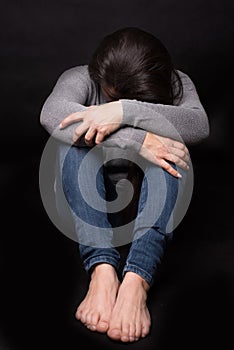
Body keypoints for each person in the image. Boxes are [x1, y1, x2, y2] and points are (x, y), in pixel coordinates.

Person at [40, 27, 209, 343]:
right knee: (68, 143)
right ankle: (102, 269)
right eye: (111, 97)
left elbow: (199, 126)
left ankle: (136, 280)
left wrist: (124, 111)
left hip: (149, 205)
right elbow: (52, 115)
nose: (112, 104)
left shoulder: (177, 82)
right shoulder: (80, 78)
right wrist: (137, 137)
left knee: (174, 147)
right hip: (88, 204)